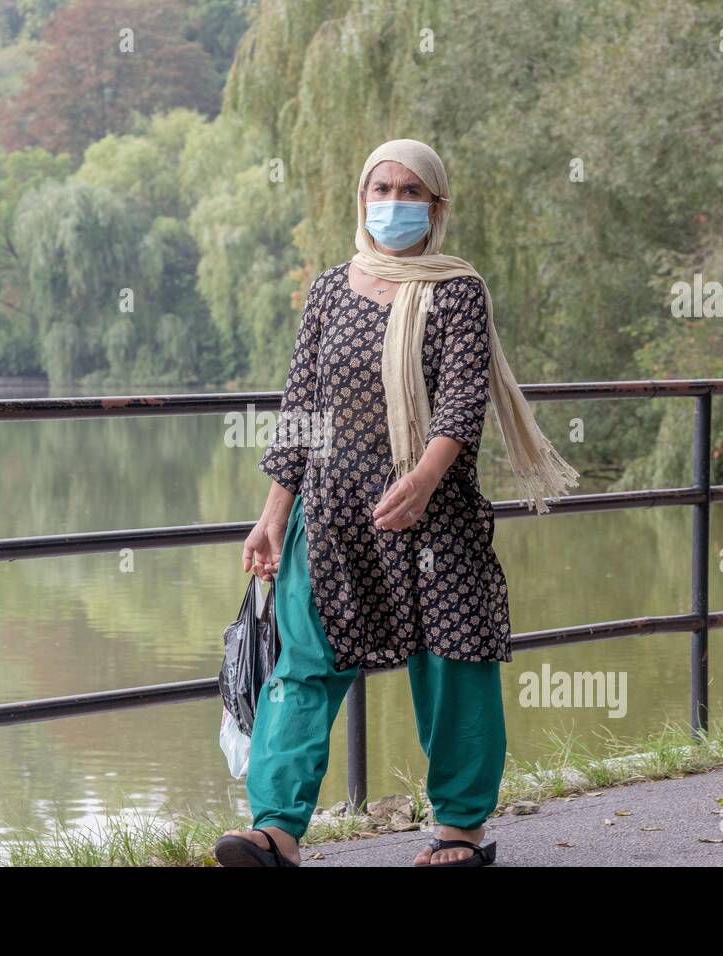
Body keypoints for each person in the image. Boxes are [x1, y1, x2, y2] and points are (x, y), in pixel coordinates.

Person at [213, 138, 579, 868]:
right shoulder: (329, 289)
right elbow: (301, 409)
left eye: (411, 191)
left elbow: (463, 398)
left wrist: (423, 480)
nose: (392, 202)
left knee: (453, 663)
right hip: (334, 518)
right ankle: (276, 831)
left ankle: (459, 833)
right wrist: (273, 513)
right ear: (361, 198)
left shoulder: (457, 290)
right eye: (380, 187)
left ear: (437, 208)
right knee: (303, 666)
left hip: (433, 515)